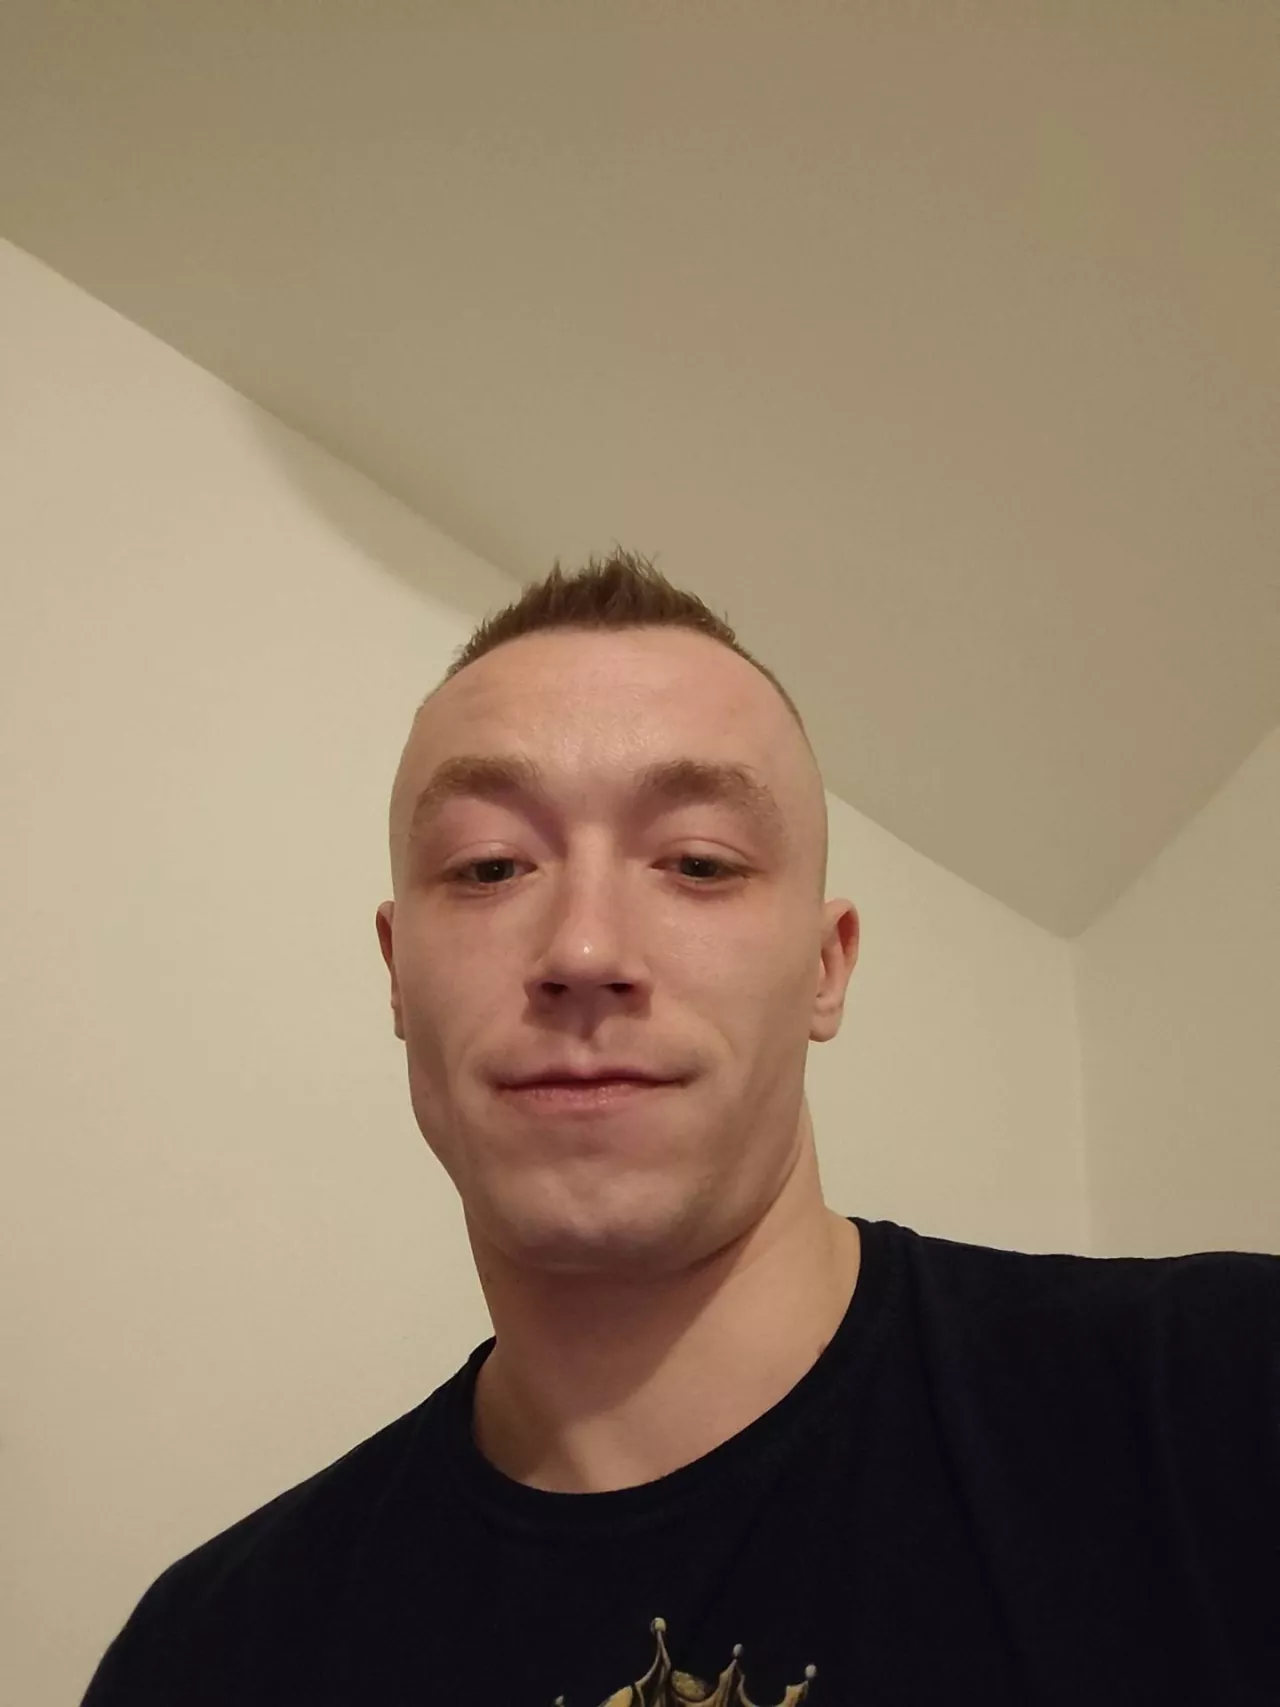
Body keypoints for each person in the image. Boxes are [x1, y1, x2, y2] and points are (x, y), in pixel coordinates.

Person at [82, 551, 1279, 1706]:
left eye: (698, 863)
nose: (583, 949)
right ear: (397, 974)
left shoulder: (1225, 1403)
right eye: (490, 867)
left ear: (824, 967)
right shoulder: (206, 1657)